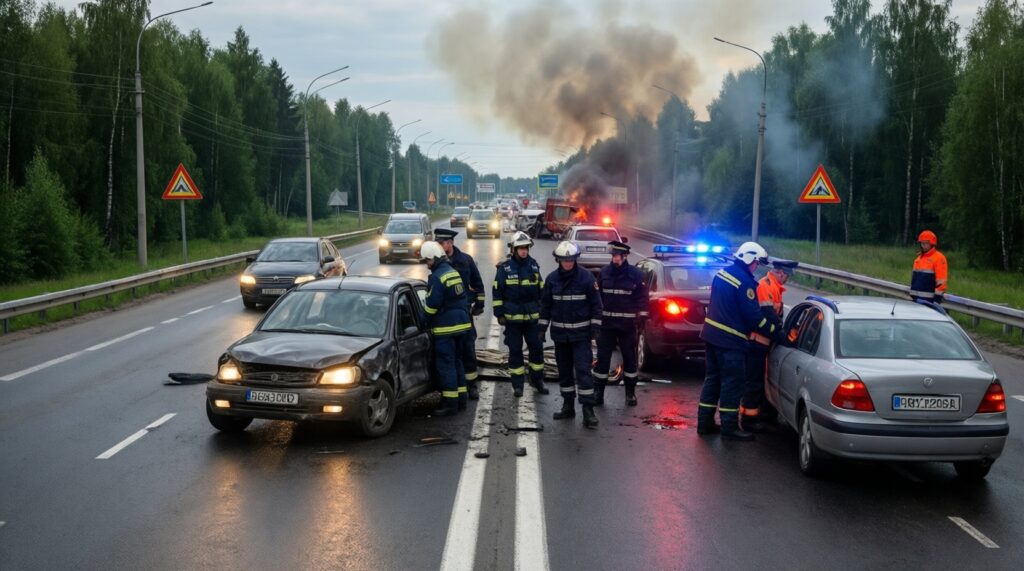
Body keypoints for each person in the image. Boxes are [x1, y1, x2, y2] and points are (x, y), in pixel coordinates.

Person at [697, 242, 782, 441]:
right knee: (732, 383)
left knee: (713, 380)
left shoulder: (722, 274)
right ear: (749, 259)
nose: (756, 267)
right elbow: (754, 318)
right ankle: (729, 427)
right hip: (730, 341)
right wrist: (776, 332)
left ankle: (704, 423)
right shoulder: (745, 283)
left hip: (711, 336)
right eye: (756, 263)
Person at [539, 241, 603, 428]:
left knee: (583, 371)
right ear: (558, 260)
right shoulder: (551, 279)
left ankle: (588, 411)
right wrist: (542, 329)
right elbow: (546, 306)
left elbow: (596, 305)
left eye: (571, 260)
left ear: (575, 259)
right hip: (560, 336)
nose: (568, 263)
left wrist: (595, 328)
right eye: (564, 260)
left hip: (581, 336)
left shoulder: (586, 278)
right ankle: (568, 406)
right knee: (565, 372)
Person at [740, 258, 798, 433]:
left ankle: (761, 415)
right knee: (754, 382)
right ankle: (749, 420)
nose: (787, 279)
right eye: (787, 275)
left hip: (763, 343)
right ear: (780, 272)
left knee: (759, 381)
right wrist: (782, 337)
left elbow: (776, 319)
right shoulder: (766, 287)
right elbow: (769, 318)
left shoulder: (775, 287)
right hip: (757, 343)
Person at [592, 240, 649, 407]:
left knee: (630, 359)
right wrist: (596, 321)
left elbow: (642, 298)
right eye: (613, 256)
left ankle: (630, 393)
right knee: (602, 359)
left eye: (617, 256)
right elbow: (598, 297)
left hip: (627, 326)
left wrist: (642, 319)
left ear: (624, 257)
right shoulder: (604, 272)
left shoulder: (636, 275)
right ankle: (598, 393)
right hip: (607, 325)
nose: (614, 259)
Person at [493, 231, 550, 398]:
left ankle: (537, 380)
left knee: (537, 350)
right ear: (513, 249)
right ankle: (517, 385)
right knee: (515, 351)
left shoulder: (534, 266)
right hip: (512, 320)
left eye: (526, 248)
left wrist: (542, 311)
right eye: (520, 248)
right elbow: (497, 292)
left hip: (532, 319)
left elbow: (542, 291)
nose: (524, 251)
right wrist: (499, 314)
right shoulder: (505, 268)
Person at [421, 241, 473, 416]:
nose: (427, 265)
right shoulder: (453, 272)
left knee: (446, 365)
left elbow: (432, 306)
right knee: (457, 362)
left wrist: (422, 321)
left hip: (446, 329)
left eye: (427, 261)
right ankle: (461, 399)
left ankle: (450, 403)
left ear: (433, 258)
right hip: (462, 325)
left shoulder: (437, 277)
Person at [434, 228, 485, 400]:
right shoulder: (437, 262)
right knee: (452, 353)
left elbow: (477, 283)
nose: (440, 246)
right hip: (446, 314)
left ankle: (471, 385)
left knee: (468, 349)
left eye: (442, 243)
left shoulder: (465, 260)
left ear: (450, 243)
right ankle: (455, 385)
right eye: (438, 244)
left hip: (464, 312)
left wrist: (480, 303)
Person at [911, 230, 948, 304]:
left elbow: (941, 282)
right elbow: (914, 280)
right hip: (915, 300)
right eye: (922, 243)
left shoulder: (939, 258)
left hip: (929, 301)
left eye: (926, 243)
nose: (923, 245)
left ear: (932, 243)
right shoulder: (918, 259)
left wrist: (937, 300)